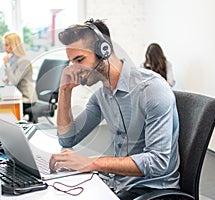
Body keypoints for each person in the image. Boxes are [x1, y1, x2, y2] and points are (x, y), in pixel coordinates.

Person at [49, 19, 180, 199]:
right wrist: (64, 90)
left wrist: (92, 163)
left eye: (80, 59)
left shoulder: (152, 89)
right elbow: (67, 138)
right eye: (72, 62)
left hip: (152, 190)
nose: (75, 69)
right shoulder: (102, 96)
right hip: (119, 183)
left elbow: (158, 162)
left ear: (104, 51)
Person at [2, 32, 37, 122]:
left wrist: (7, 64)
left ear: (13, 45)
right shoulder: (13, 59)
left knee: (4, 109)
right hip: (18, 96)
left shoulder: (23, 61)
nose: (4, 47)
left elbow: (14, 81)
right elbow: (10, 78)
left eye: (6, 44)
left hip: (27, 99)